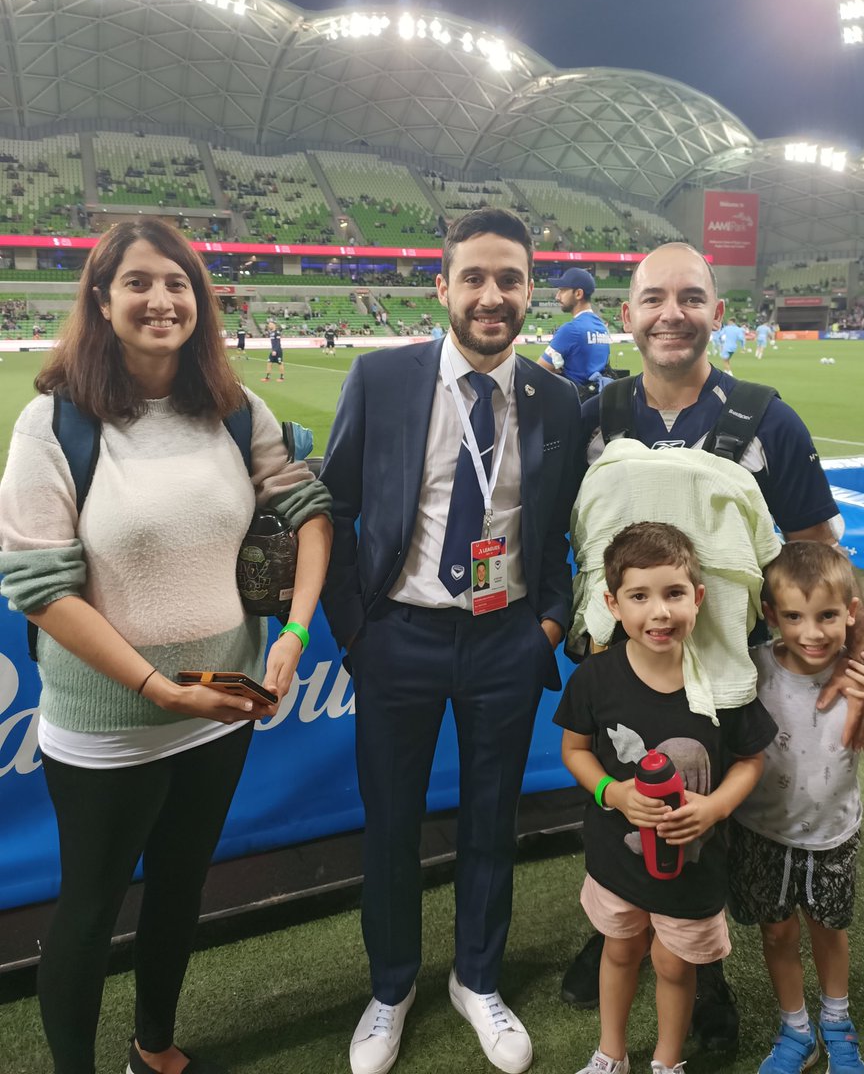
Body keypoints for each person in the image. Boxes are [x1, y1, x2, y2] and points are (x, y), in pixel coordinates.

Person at [0, 219, 332, 1074]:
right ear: (102, 300)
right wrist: (157, 686)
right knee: (89, 907)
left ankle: (155, 1048)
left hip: (219, 700)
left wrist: (294, 629)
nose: (162, 299)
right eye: (140, 282)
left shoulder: (232, 409)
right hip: (111, 718)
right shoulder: (53, 424)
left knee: (182, 887)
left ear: (200, 299)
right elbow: (41, 591)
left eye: (178, 282)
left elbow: (309, 510)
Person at [571, 242, 864, 1048]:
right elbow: (557, 533)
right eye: (654, 298)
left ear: (717, 311)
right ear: (629, 314)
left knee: (709, 821)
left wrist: (862, 662)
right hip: (624, 664)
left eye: (691, 297)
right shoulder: (594, 419)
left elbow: (821, 551)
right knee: (620, 796)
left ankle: (705, 979)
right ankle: (610, 932)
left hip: (725, 670)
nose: (672, 313)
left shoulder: (767, 415)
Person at [320, 206, 581, 1074]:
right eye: (474, 276)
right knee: (392, 824)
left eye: (510, 278)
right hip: (399, 637)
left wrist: (545, 620)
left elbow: (559, 528)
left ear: (531, 290)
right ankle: (390, 988)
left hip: (506, 639)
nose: (492, 295)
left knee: (491, 822)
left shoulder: (557, 399)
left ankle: (478, 979)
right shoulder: (383, 379)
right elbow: (337, 506)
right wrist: (356, 631)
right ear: (443, 287)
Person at [555, 523, 775, 1074]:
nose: (659, 612)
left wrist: (716, 807)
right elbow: (576, 751)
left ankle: (667, 1062)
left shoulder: (722, 682)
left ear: (698, 598)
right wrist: (614, 792)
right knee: (620, 951)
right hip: (617, 861)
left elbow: (752, 759)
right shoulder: (596, 679)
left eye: (674, 594)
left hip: (693, 871)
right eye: (639, 596)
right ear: (612, 604)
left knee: (676, 967)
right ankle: (611, 1054)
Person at [729, 542, 864, 1074]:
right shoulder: (753, 672)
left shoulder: (863, 678)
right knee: (777, 931)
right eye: (795, 616)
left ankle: (837, 1026)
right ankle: (796, 1030)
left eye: (827, 615)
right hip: (761, 831)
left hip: (832, 835)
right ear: (771, 615)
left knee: (829, 930)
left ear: (850, 613)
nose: (812, 632)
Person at [537, 267, 610, 400]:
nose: (557, 296)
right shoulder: (602, 327)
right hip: (596, 401)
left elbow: (538, 371)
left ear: (578, 294)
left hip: (574, 405)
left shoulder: (570, 330)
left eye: (562, 290)